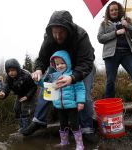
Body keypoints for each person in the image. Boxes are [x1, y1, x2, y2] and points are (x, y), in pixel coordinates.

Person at [22, 10, 96, 142]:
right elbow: (42, 58)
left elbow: (86, 62)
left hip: (81, 65)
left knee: (84, 91)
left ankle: (86, 128)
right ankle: (39, 120)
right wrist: (38, 70)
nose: (57, 36)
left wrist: (73, 77)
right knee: (47, 86)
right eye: (54, 33)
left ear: (68, 29)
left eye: (61, 32)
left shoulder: (81, 35)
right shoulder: (49, 37)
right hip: (58, 64)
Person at [97, 1, 132, 98]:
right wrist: (115, 33)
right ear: (108, 12)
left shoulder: (126, 21)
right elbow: (100, 38)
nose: (114, 12)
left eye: (116, 9)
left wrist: (128, 26)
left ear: (119, 10)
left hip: (128, 53)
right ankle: (109, 106)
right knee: (110, 80)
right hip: (111, 55)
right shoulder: (104, 24)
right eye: (111, 10)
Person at [49, 50, 85, 149]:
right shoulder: (54, 77)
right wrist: (37, 81)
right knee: (62, 124)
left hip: (72, 106)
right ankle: (64, 142)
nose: (59, 66)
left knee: (74, 124)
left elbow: (80, 89)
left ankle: (80, 144)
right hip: (59, 106)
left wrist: (80, 101)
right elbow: (47, 87)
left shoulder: (73, 75)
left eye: (62, 63)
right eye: (57, 64)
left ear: (68, 63)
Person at [0, 58, 37, 133]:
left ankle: (27, 128)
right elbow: (6, 87)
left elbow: (34, 87)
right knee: (16, 109)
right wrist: (3, 93)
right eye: (8, 71)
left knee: (25, 110)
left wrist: (27, 96)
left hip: (29, 94)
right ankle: (21, 127)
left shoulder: (26, 75)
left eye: (12, 70)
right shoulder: (8, 78)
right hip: (20, 94)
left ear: (17, 69)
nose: (10, 73)